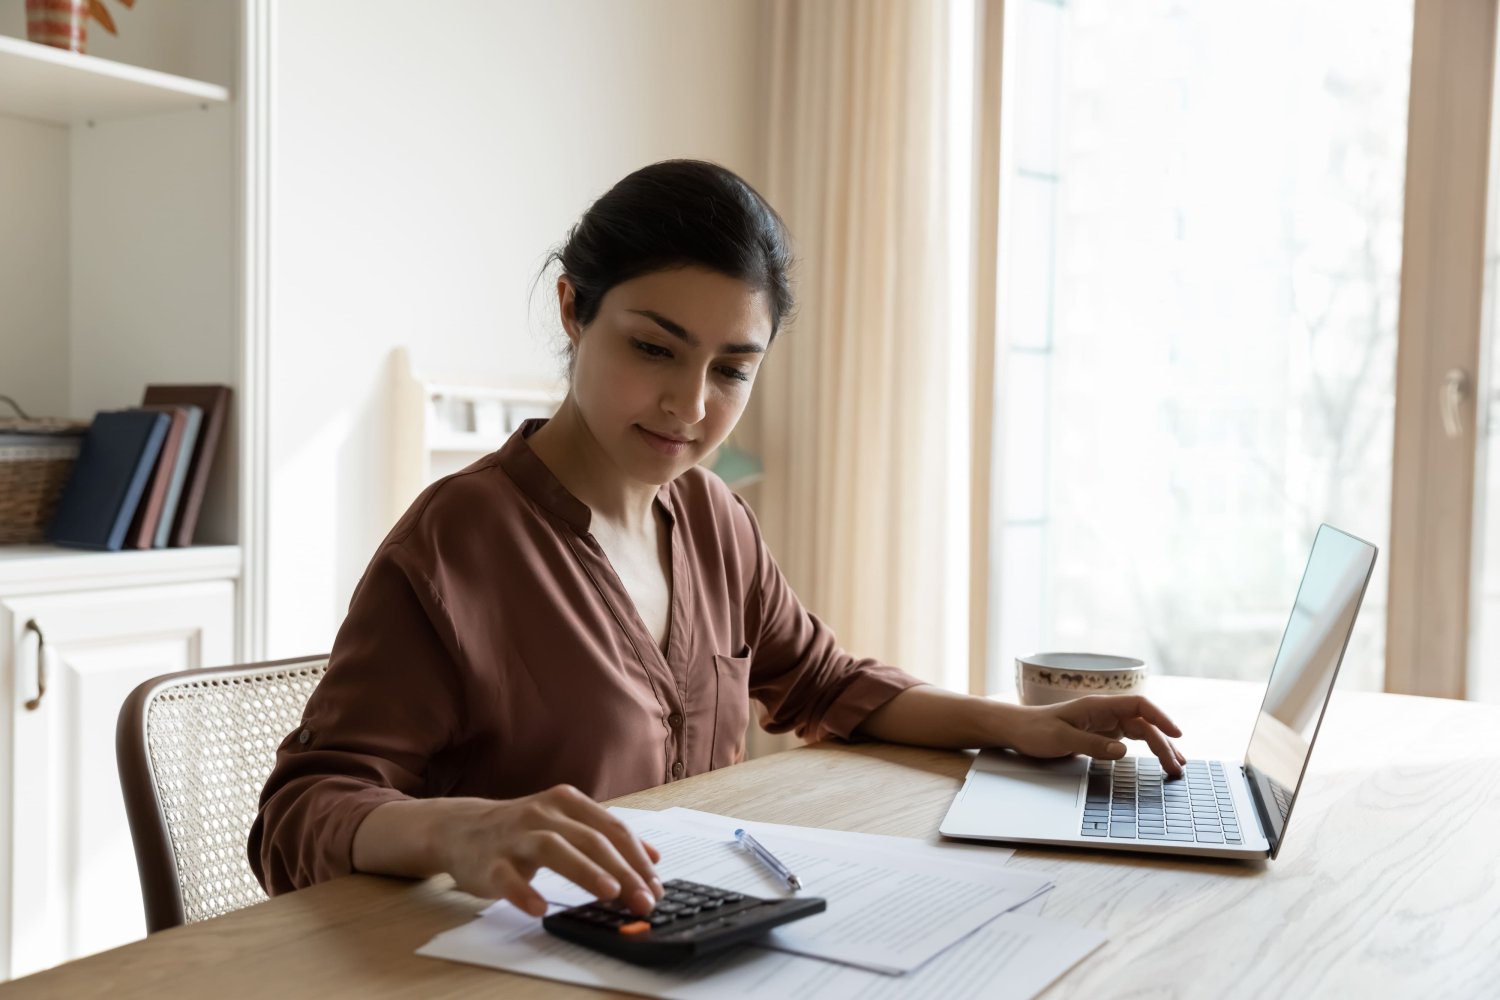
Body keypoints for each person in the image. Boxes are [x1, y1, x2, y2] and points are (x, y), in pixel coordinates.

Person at [249, 159, 1185, 920]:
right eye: (654, 348)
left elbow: (824, 682)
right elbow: (300, 815)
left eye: (732, 369)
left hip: (691, 945)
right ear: (574, 311)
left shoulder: (710, 519)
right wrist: (461, 832)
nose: (689, 407)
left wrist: (1020, 727)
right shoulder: (459, 542)